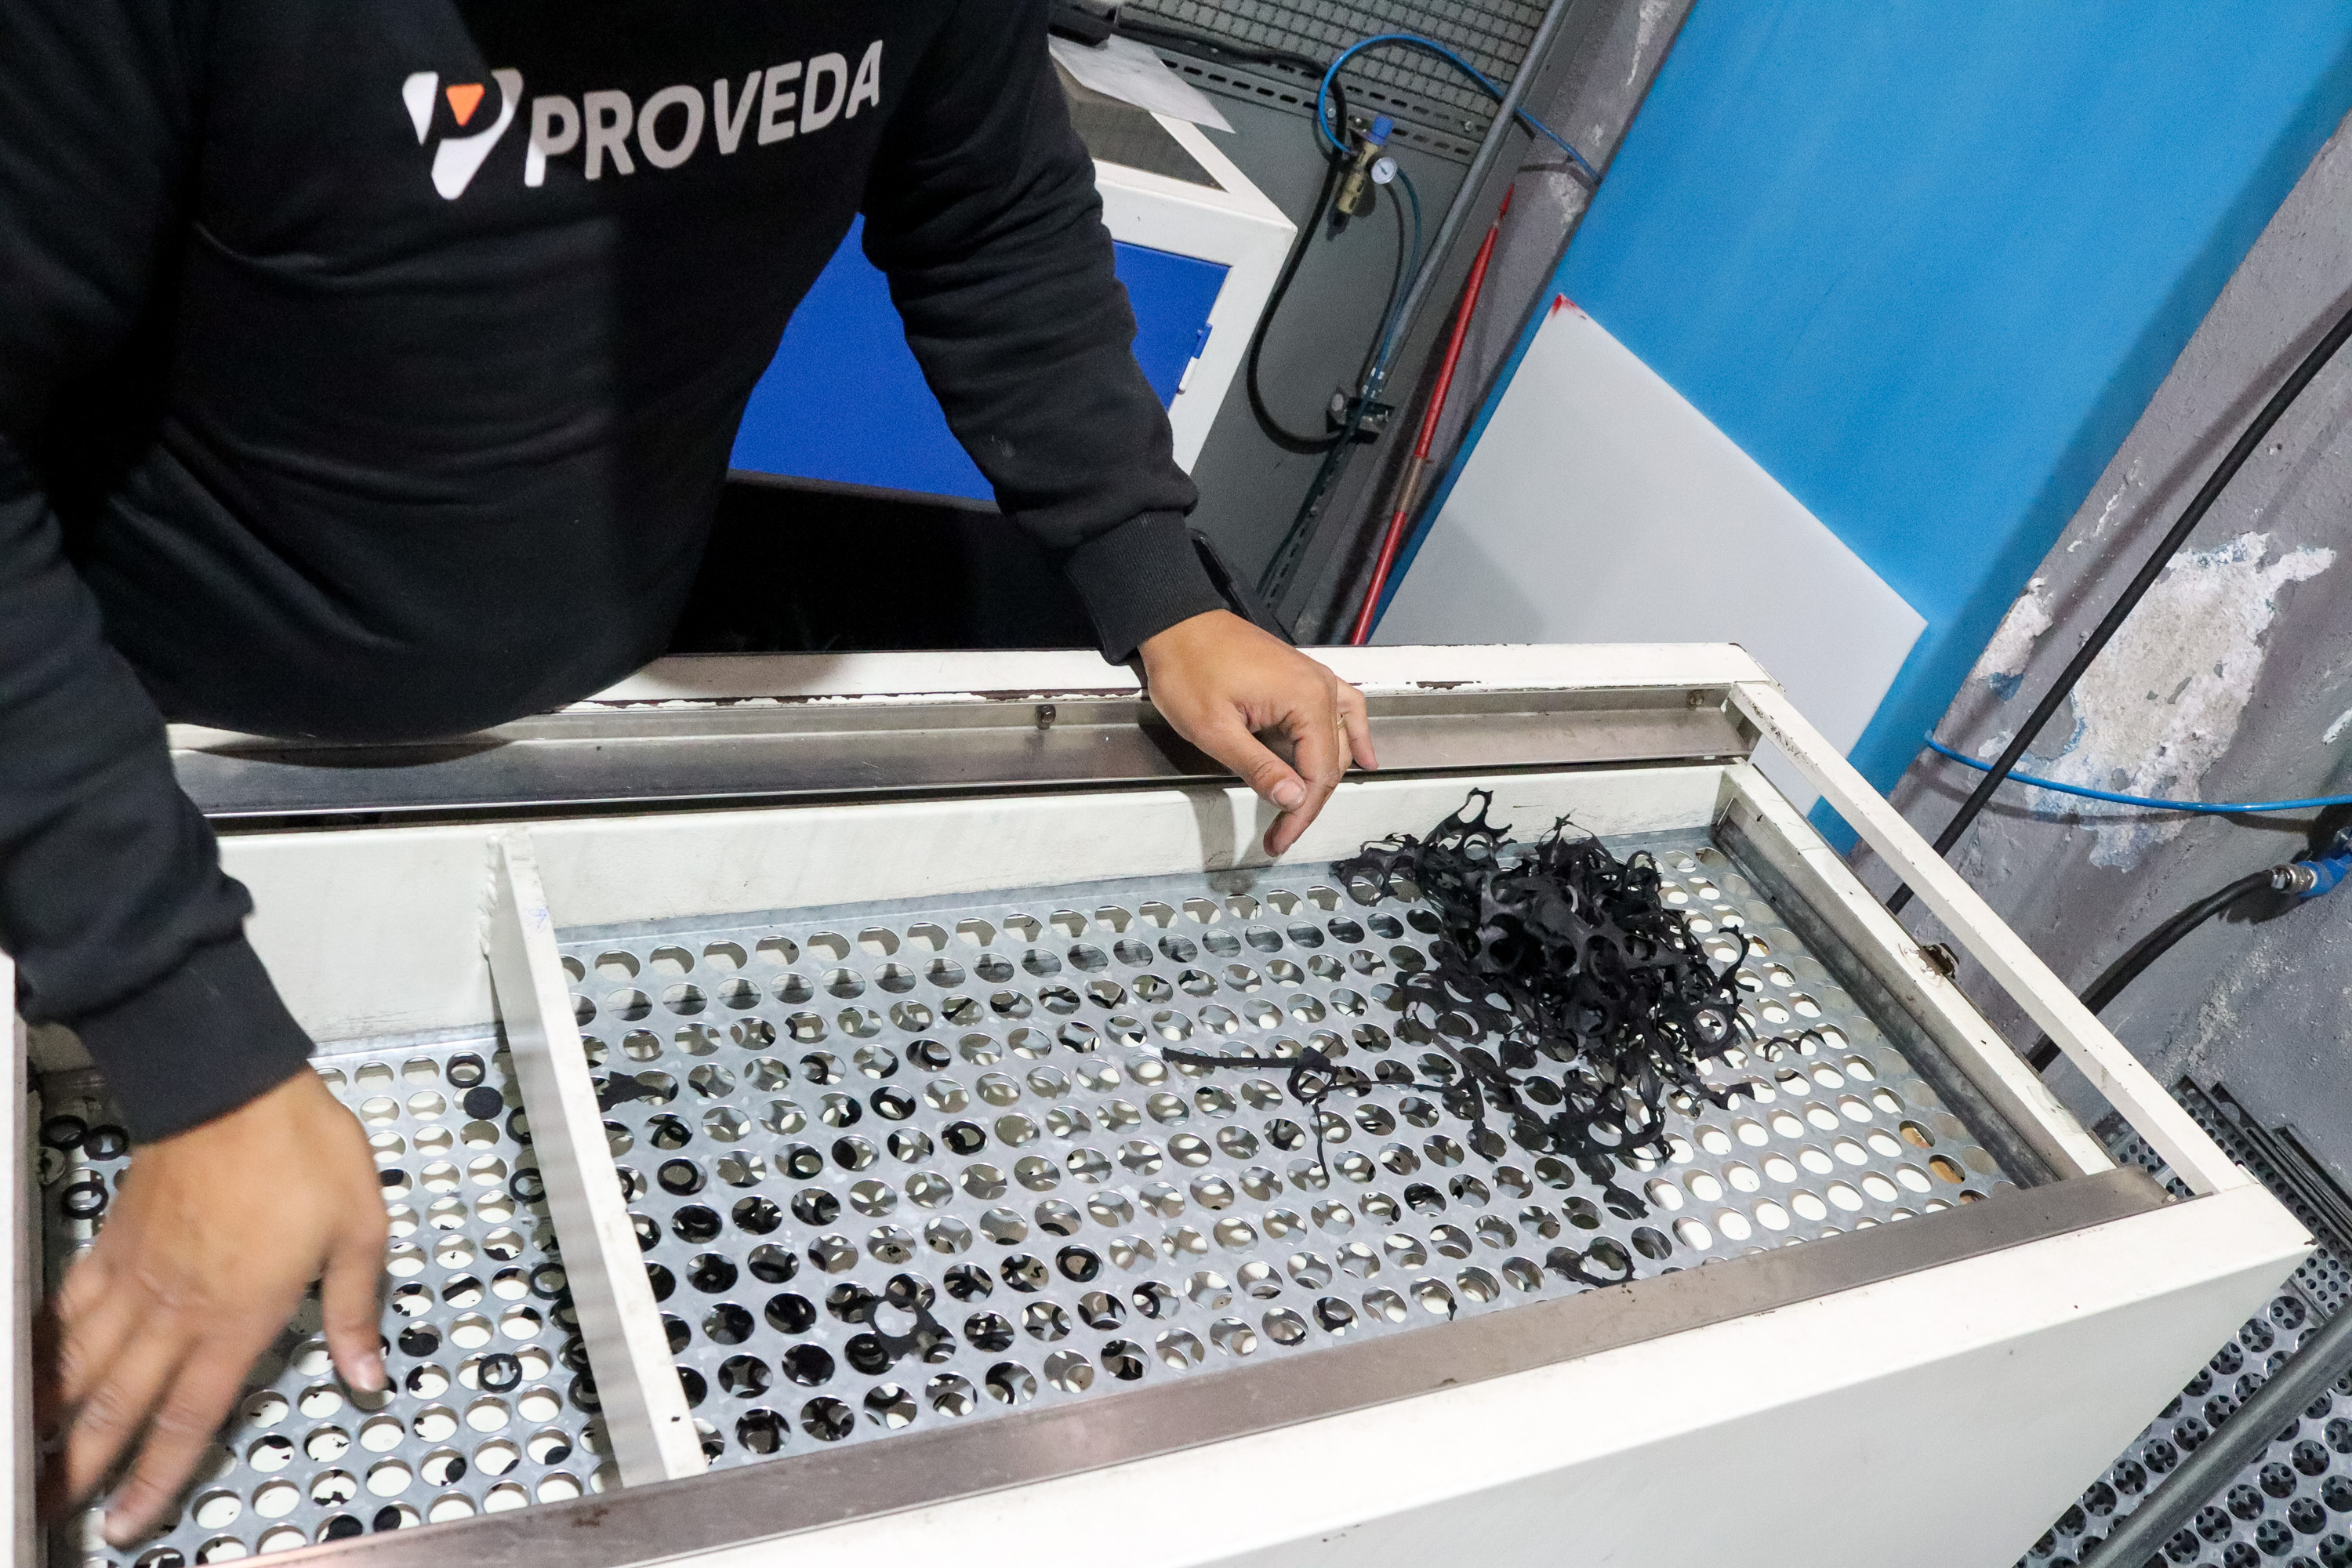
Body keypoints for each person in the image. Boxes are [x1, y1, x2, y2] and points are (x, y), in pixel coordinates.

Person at [0, 1, 1376, 1543]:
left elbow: (987, 210)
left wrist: (1154, 576)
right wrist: (190, 1036)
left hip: (606, 674)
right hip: (146, 740)